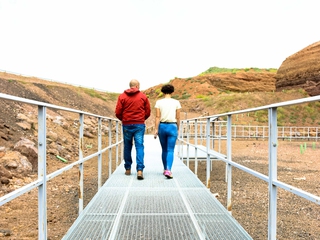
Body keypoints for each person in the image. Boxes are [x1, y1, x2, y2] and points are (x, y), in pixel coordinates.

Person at [115, 79, 151, 180]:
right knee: (139, 146)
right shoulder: (143, 96)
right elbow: (148, 111)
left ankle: (128, 168)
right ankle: (139, 170)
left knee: (127, 146)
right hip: (139, 125)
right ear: (137, 85)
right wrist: (141, 119)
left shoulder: (122, 96)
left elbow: (118, 112)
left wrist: (124, 119)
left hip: (127, 124)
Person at [154, 84, 181, 179]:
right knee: (170, 150)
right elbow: (178, 117)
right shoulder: (176, 102)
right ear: (172, 92)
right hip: (172, 126)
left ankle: (165, 168)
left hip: (162, 126)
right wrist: (178, 128)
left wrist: (156, 129)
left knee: (164, 149)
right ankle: (168, 170)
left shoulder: (159, 102)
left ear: (162, 92)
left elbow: (157, 116)